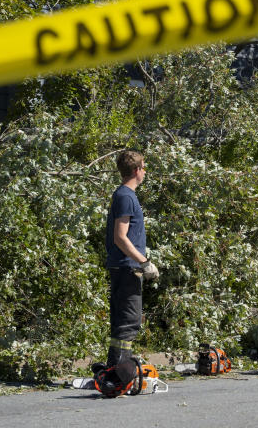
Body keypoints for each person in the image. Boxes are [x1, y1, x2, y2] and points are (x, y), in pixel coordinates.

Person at [104, 149, 159, 367]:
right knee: (128, 322)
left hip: (124, 267)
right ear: (137, 170)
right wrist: (144, 262)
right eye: (143, 167)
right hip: (127, 268)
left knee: (123, 323)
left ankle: (115, 369)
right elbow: (120, 237)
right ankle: (119, 371)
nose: (145, 172)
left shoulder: (124, 195)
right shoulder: (126, 196)